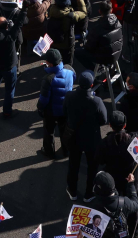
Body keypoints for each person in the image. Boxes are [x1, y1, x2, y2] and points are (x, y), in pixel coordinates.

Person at [63, 70, 107, 201]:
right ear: (91, 85)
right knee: (92, 167)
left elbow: (64, 112)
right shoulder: (97, 101)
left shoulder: (69, 96)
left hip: (74, 137)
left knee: (73, 165)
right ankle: (89, 193)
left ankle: (72, 191)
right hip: (91, 138)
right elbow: (104, 120)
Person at [37, 49, 74, 158]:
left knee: (49, 131)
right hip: (65, 108)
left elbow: (44, 99)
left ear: (50, 63)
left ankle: (49, 151)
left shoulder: (48, 79)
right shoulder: (70, 70)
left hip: (51, 111)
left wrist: (40, 108)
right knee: (64, 130)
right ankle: (66, 150)